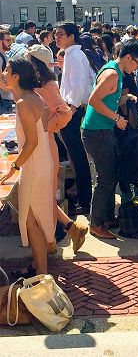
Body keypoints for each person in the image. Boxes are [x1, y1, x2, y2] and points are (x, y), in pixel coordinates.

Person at [81, 40, 138, 239]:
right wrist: (117, 118)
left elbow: (107, 98)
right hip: (97, 131)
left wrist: (125, 99)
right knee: (105, 178)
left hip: (102, 130)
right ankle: (96, 224)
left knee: (110, 175)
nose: (136, 68)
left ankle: (106, 217)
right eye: (137, 63)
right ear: (128, 57)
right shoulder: (112, 73)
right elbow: (93, 100)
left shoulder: (114, 71)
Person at [27, 45, 88, 254]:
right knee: (41, 194)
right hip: (39, 142)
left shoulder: (47, 84)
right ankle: (66, 230)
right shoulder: (33, 83)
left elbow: (65, 112)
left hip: (44, 142)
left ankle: (53, 239)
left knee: (42, 194)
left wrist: (46, 127)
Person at [0, 57, 54, 275]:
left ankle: (42, 275)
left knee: (32, 222)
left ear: (17, 76)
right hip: (41, 162)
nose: (3, 73)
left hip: (34, 165)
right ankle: (40, 271)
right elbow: (46, 121)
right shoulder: (33, 97)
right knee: (34, 219)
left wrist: (15, 167)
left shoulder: (24, 102)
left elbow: (31, 142)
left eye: (7, 70)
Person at [55, 23, 95, 215]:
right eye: (56, 34)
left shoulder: (75, 55)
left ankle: (85, 201)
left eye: (60, 34)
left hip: (73, 111)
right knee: (75, 157)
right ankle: (83, 197)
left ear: (71, 36)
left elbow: (79, 86)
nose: (57, 38)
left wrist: (69, 110)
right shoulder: (71, 54)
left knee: (78, 157)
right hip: (71, 109)